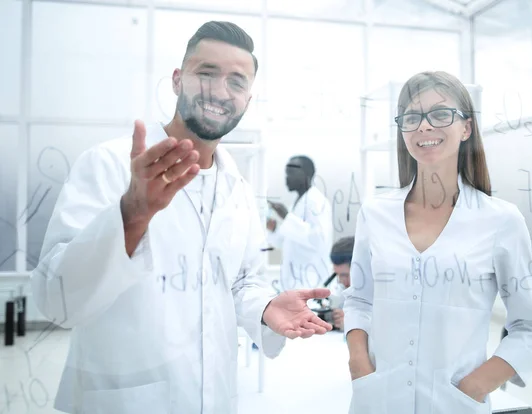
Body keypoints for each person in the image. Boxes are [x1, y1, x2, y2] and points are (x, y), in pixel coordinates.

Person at [30, 21, 332, 414]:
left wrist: (263, 306)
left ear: (247, 99)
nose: (220, 91)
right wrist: (131, 216)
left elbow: (241, 279)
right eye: (206, 73)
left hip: (214, 397)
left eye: (237, 82)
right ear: (177, 80)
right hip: (125, 400)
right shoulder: (110, 164)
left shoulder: (237, 187)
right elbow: (57, 303)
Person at [343, 71, 532, 414]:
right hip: (377, 398)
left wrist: (475, 386)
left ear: (466, 128)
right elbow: (360, 299)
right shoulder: (375, 213)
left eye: (440, 114)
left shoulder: (501, 220)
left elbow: (530, 326)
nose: (424, 127)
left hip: (454, 402)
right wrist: (358, 365)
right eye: (412, 117)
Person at [266, 156, 333, 291]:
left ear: (305, 175)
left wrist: (286, 217)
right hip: (294, 281)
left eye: (291, 173)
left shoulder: (317, 202)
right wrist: (274, 230)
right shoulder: (297, 203)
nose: (286, 178)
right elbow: (288, 241)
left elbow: (319, 240)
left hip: (312, 280)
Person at [327, 236, 355, 331]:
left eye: (345, 275)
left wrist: (352, 323)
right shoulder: (344, 291)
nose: (341, 281)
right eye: (338, 275)